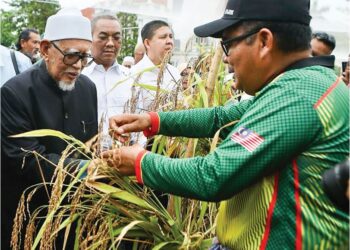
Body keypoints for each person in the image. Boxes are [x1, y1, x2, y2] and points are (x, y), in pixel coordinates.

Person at [98, 0, 349, 248]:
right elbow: (219, 118)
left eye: (228, 44)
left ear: (264, 41)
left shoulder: (297, 97)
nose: (226, 59)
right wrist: (151, 120)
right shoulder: (309, 83)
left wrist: (141, 162)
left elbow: (214, 175)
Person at [1, 8, 98, 249]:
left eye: (86, 58)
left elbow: (89, 145)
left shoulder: (87, 88)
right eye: (72, 56)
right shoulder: (14, 93)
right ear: (45, 49)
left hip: (73, 217)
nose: (78, 66)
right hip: (28, 218)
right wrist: (91, 170)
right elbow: (28, 160)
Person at [82, 15, 130, 130]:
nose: (110, 43)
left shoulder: (131, 77)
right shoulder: (79, 76)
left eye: (116, 38)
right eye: (103, 37)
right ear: (90, 39)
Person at [131, 20, 181, 112]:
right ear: (147, 43)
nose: (169, 41)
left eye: (171, 37)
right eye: (163, 37)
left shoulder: (175, 73)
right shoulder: (134, 74)